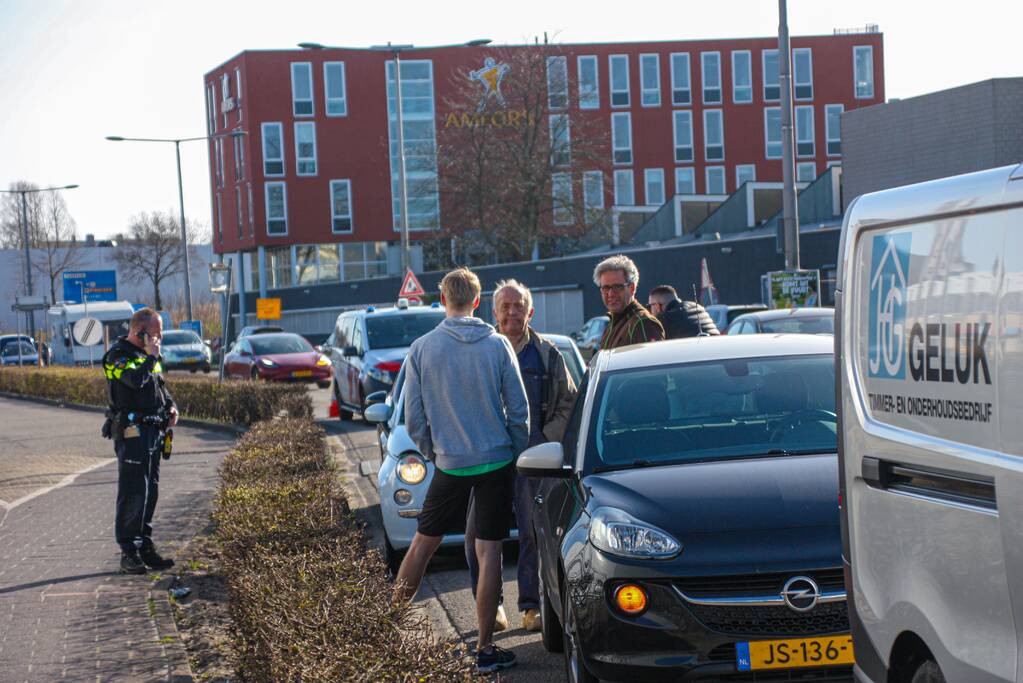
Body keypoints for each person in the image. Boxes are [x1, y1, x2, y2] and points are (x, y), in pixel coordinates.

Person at [394, 267, 529, 673]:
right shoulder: (497, 345)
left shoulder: (422, 348)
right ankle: (486, 650)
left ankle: (384, 630)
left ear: (441, 301)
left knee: (422, 544)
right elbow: (518, 411)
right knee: (489, 553)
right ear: (476, 300)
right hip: (496, 461)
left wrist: (436, 454)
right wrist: (515, 456)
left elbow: (413, 419)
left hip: (450, 463)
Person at [464, 280, 578, 633]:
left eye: (519, 306)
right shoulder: (480, 351)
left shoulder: (547, 354)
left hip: (533, 460)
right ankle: (491, 605)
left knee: (533, 534)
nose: (512, 312)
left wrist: (545, 440)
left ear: (530, 311)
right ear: (493, 312)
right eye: (505, 306)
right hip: (488, 459)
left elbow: (568, 403)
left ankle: (531, 606)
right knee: (478, 537)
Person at [101, 307, 178, 575]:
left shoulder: (146, 355)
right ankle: (128, 551)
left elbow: (158, 385)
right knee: (134, 492)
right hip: (132, 432)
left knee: (151, 491)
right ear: (139, 331)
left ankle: (144, 544)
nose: (159, 338)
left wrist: (171, 406)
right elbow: (135, 381)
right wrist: (151, 356)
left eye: (160, 333)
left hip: (153, 431)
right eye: (155, 333)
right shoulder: (116, 356)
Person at [594, 254, 665, 350]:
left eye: (617, 287)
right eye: (605, 288)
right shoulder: (613, 324)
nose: (610, 294)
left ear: (632, 288)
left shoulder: (643, 323)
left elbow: (652, 363)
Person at [647, 285, 720, 339]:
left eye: (650, 306)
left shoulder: (664, 319)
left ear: (657, 306)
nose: (649, 310)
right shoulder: (697, 307)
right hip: (716, 350)